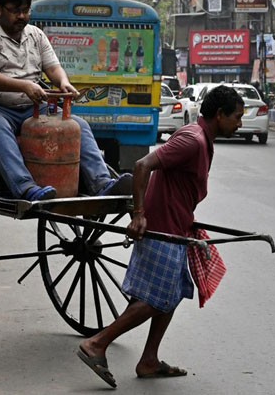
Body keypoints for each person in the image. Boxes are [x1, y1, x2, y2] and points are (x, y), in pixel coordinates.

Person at [76, 85, 244, 388]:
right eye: (237, 117)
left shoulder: (203, 140)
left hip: (177, 227)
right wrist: (138, 214)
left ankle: (149, 359)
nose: (240, 124)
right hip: (160, 229)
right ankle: (96, 344)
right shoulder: (192, 140)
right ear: (219, 115)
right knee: (156, 299)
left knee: (175, 291)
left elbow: (181, 187)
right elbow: (143, 166)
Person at [0, 0, 132, 201]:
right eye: (15, 11)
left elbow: (52, 67)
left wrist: (63, 82)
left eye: (25, 11)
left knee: (77, 125)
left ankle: (101, 183)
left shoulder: (36, 35)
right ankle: (26, 188)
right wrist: (25, 86)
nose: (21, 16)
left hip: (30, 107)